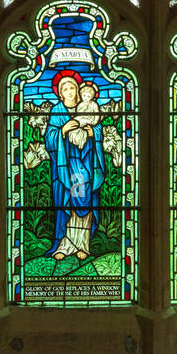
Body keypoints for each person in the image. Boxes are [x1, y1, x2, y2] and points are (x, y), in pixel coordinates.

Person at [44, 71, 105, 262]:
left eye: (72, 88)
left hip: (86, 164)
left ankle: (82, 245)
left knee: (84, 200)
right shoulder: (57, 111)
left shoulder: (86, 107)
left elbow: (97, 128)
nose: (70, 91)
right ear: (60, 93)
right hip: (64, 167)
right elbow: (49, 138)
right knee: (66, 202)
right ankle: (64, 245)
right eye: (65, 89)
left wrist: (93, 132)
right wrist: (62, 130)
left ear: (78, 91)